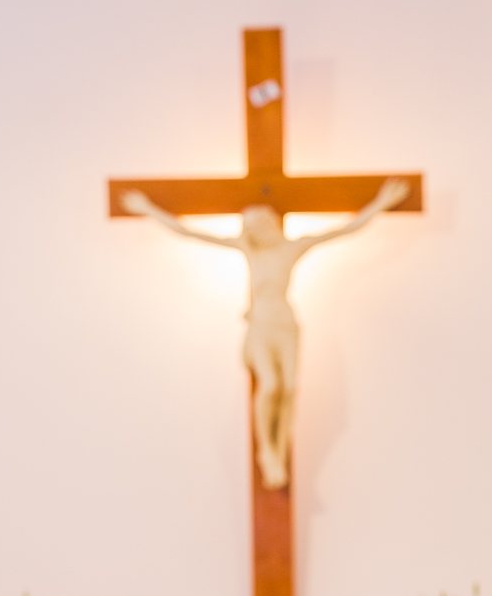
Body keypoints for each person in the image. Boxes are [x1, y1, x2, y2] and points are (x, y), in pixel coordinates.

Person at [122, 179, 410, 488]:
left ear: (269, 224)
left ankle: (280, 450)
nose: (253, 233)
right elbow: (191, 232)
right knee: (270, 385)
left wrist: (379, 204)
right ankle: (267, 453)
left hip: (286, 324)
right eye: (249, 229)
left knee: (290, 388)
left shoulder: (292, 248)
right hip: (260, 324)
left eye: (256, 226)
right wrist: (148, 209)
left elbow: (343, 230)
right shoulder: (250, 250)